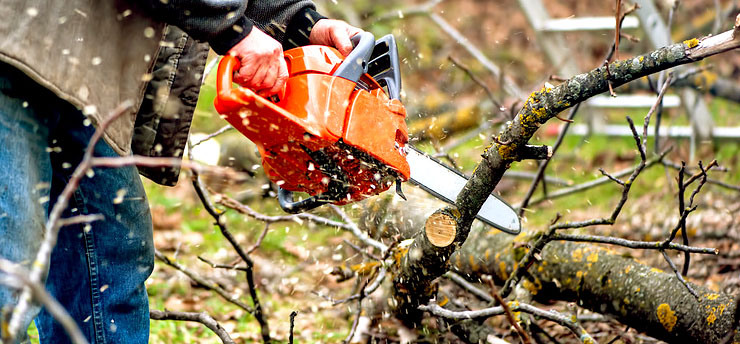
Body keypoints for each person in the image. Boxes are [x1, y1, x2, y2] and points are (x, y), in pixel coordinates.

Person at [0, 1, 361, 343]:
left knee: (111, 260)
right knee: (8, 264)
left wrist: (301, 22)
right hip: (14, 46)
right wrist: (232, 28)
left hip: (84, 71)